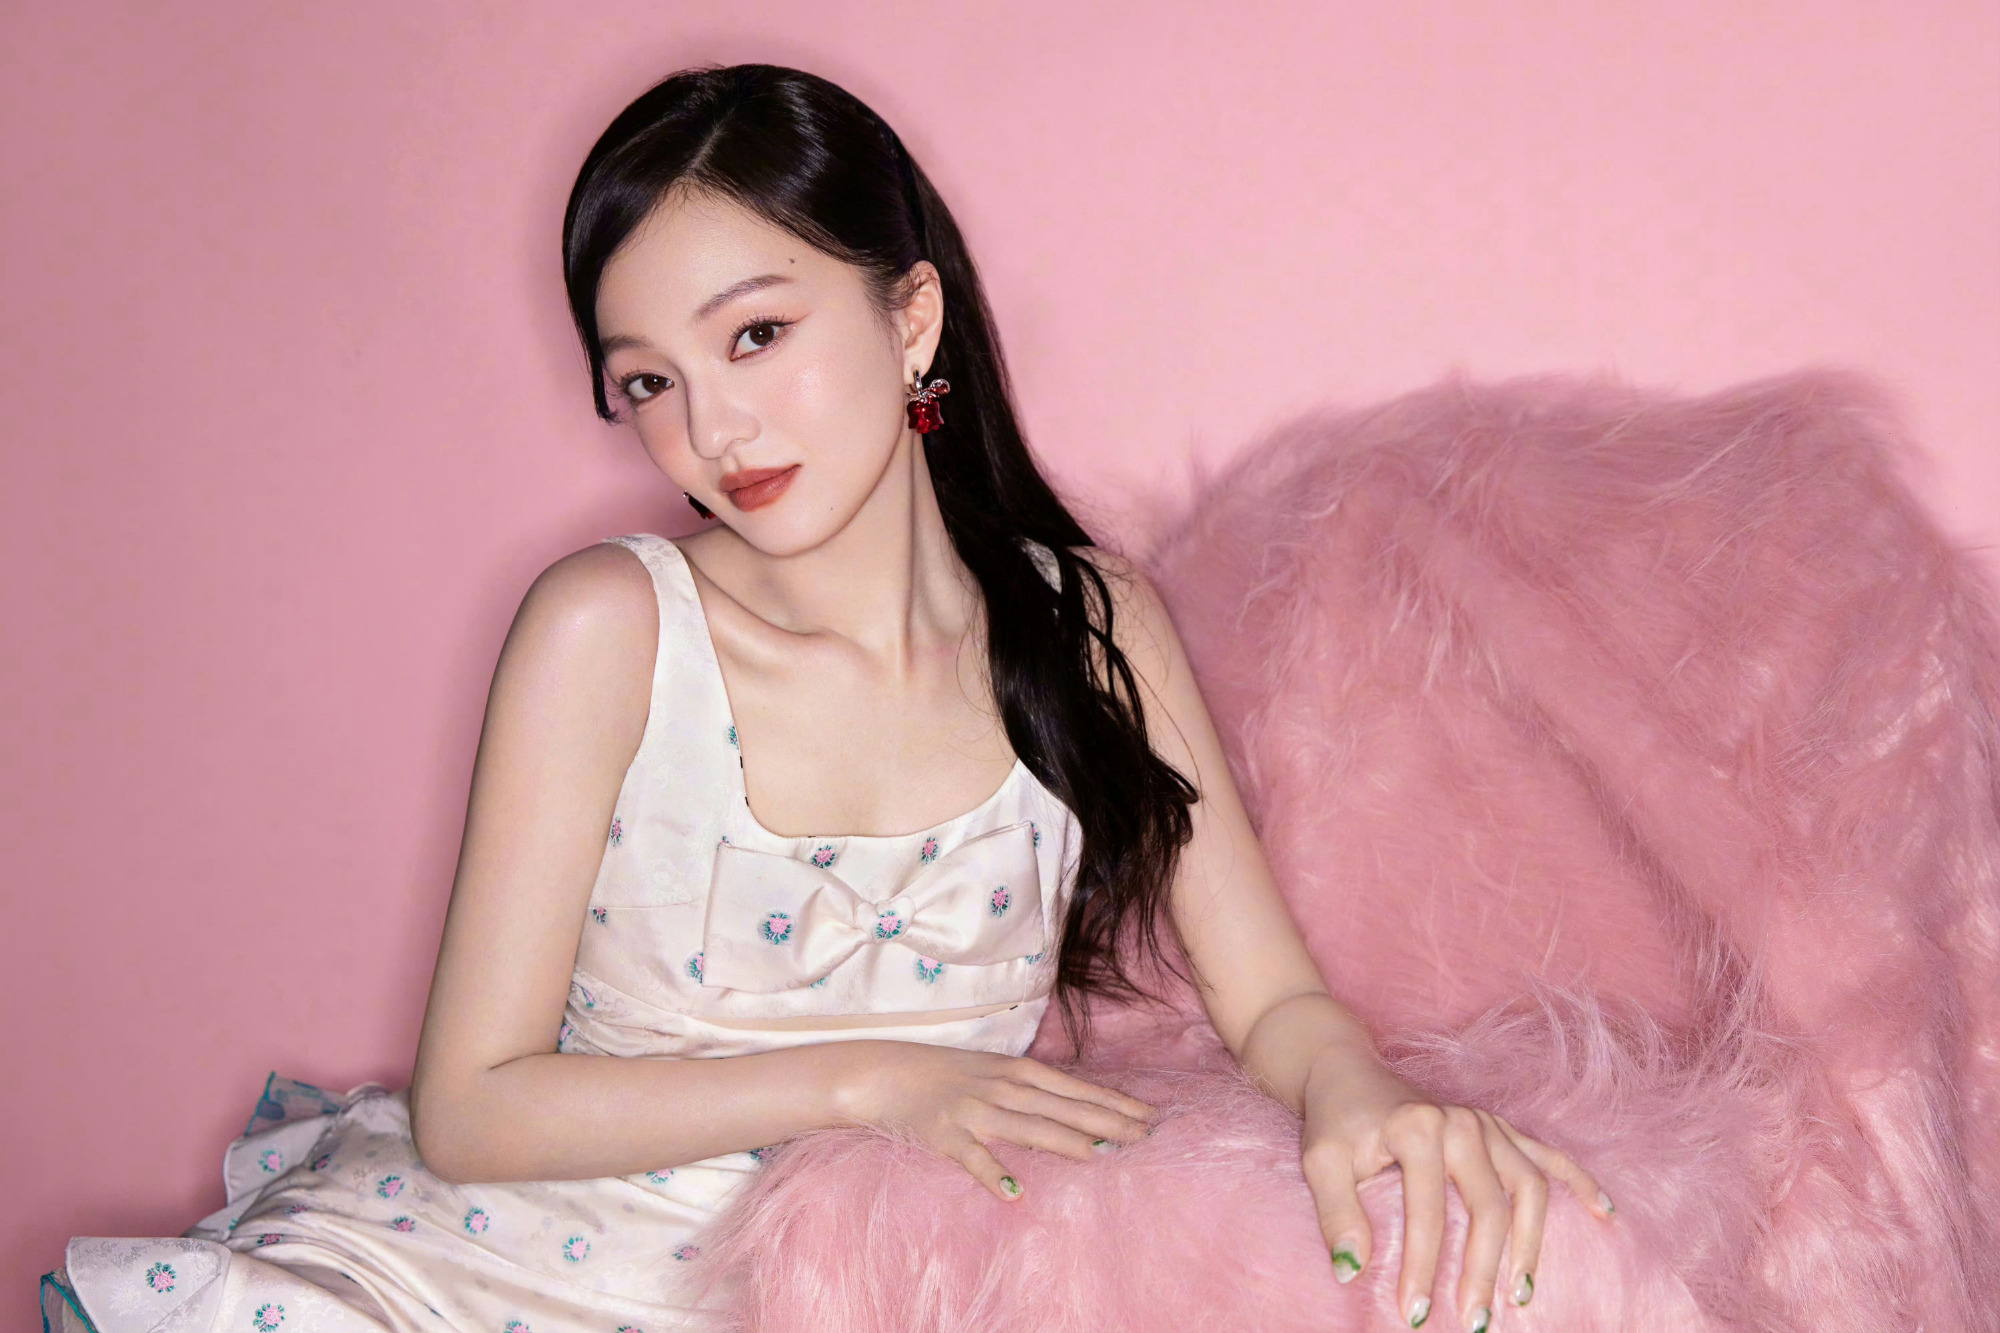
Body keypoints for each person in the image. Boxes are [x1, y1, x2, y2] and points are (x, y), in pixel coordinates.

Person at [51, 62, 1612, 1333]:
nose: (714, 428)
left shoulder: (1093, 628)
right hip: (499, 1278)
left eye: (757, 334)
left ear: (909, 317)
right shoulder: (611, 629)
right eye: (650, 380)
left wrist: (1357, 1091)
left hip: (879, 1287)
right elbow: (470, 1104)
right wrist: (874, 1079)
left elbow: (1270, 999)